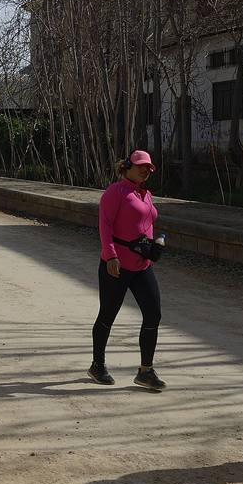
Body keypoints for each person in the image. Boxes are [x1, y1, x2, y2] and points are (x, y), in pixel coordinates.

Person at [88, 150, 165, 391]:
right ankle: (97, 366)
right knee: (108, 314)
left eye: (149, 168)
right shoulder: (115, 192)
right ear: (128, 166)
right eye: (141, 166)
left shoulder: (147, 194)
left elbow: (145, 225)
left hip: (142, 265)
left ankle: (146, 371)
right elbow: (105, 225)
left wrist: (152, 247)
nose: (146, 170)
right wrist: (110, 255)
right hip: (117, 265)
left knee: (153, 313)